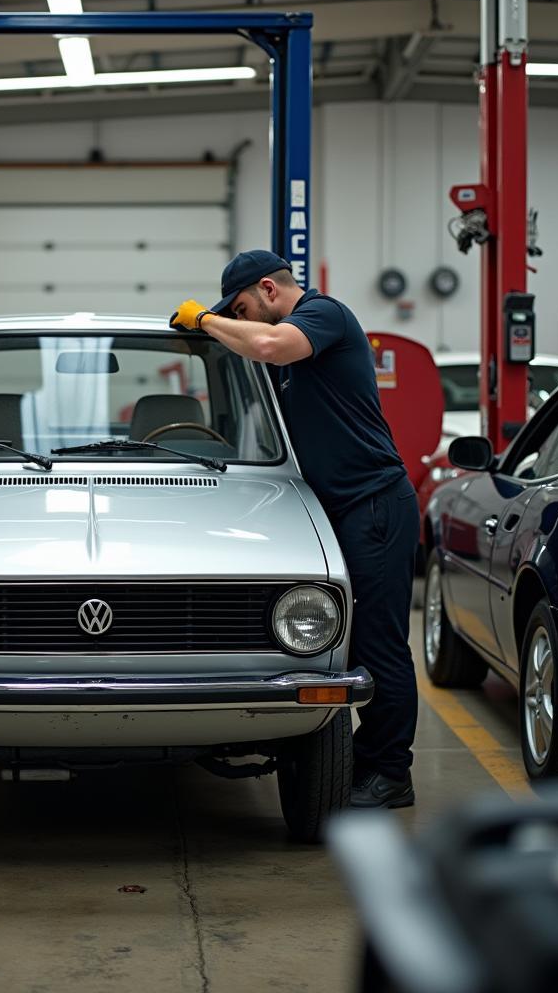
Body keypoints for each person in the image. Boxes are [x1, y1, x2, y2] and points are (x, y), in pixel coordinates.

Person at [170, 250, 420, 809]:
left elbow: (263, 344)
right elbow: (255, 347)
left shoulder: (325, 315)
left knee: (379, 645)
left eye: (243, 307)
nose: (245, 318)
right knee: (348, 641)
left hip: (374, 504)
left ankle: (391, 773)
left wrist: (206, 321)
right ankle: (365, 759)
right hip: (339, 508)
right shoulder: (289, 345)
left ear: (268, 288)